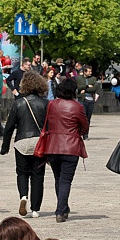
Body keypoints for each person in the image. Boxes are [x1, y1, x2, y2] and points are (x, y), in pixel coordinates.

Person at [35, 78, 88, 223]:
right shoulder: (77, 107)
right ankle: (60, 210)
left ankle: (63, 207)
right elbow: (84, 127)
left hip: (52, 146)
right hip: (70, 146)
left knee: (58, 178)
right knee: (65, 180)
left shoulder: (51, 104)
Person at [0, 72, 49, 218]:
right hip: (39, 143)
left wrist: (5, 146)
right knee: (38, 175)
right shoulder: (45, 103)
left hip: (21, 142)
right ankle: (35, 208)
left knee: (22, 173)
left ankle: (23, 196)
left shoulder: (19, 103)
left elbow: (9, 127)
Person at [75, 65, 100, 138]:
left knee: (88, 118)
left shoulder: (93, 79)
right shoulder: (79, 78)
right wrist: (87, 86)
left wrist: (85, 90)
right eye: (88, 71)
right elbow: (78, 87)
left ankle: (86, 134)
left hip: (90, 100)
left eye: (91, 71)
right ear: (84, 72)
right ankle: (80, 132)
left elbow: (95, 88)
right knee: (82, 117)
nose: (90, 73)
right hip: (82, 100)